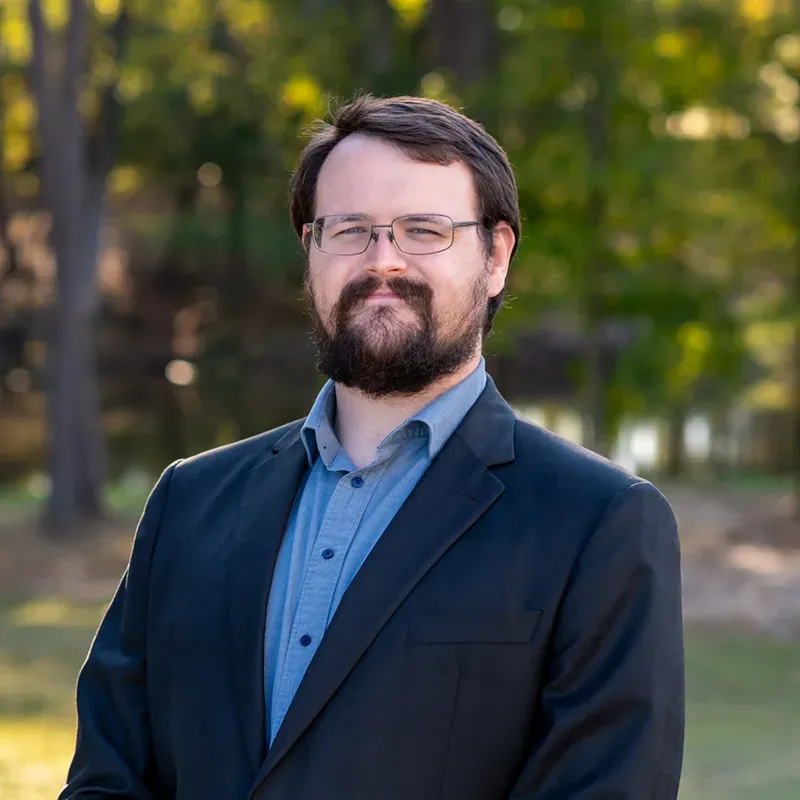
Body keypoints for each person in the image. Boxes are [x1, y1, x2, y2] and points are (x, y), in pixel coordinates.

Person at [60, 95, 684, 800]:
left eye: (424, 230)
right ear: (311, 250)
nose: (383, 261)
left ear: (496, 257)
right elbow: (107, 778)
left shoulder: (599, 522)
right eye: (350, 229)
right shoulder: (189, 501)